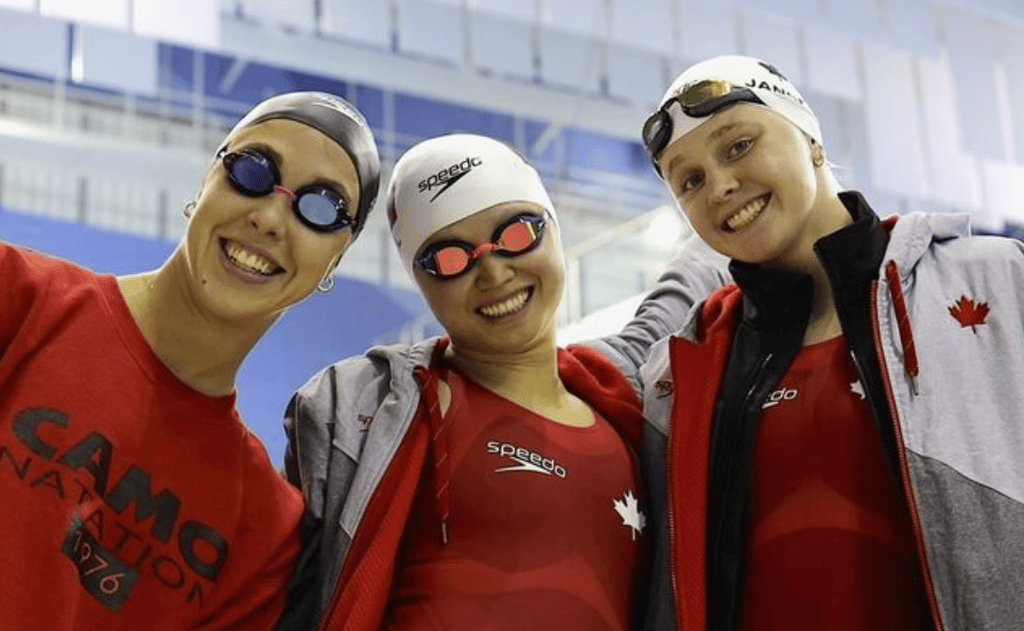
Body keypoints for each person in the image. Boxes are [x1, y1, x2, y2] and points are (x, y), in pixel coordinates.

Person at [275, 133, 729, 630]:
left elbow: (695, 276)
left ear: (554, 229)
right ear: (422, 283)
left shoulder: (621, 393)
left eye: (515, 234)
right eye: (450, 259)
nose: (493, 273)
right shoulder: (368, 414)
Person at [637, 53, 1024, 631]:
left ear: (811, 140)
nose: (718, 186)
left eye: (737, 146)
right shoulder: (681, 376)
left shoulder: (994, 280)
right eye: (689, 180)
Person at [0, 91, 380, 630]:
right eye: (253, 171)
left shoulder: (264, 530)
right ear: (207, 180)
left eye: (320, 207)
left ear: (333, 260)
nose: (270, 217)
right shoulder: (18, 301)